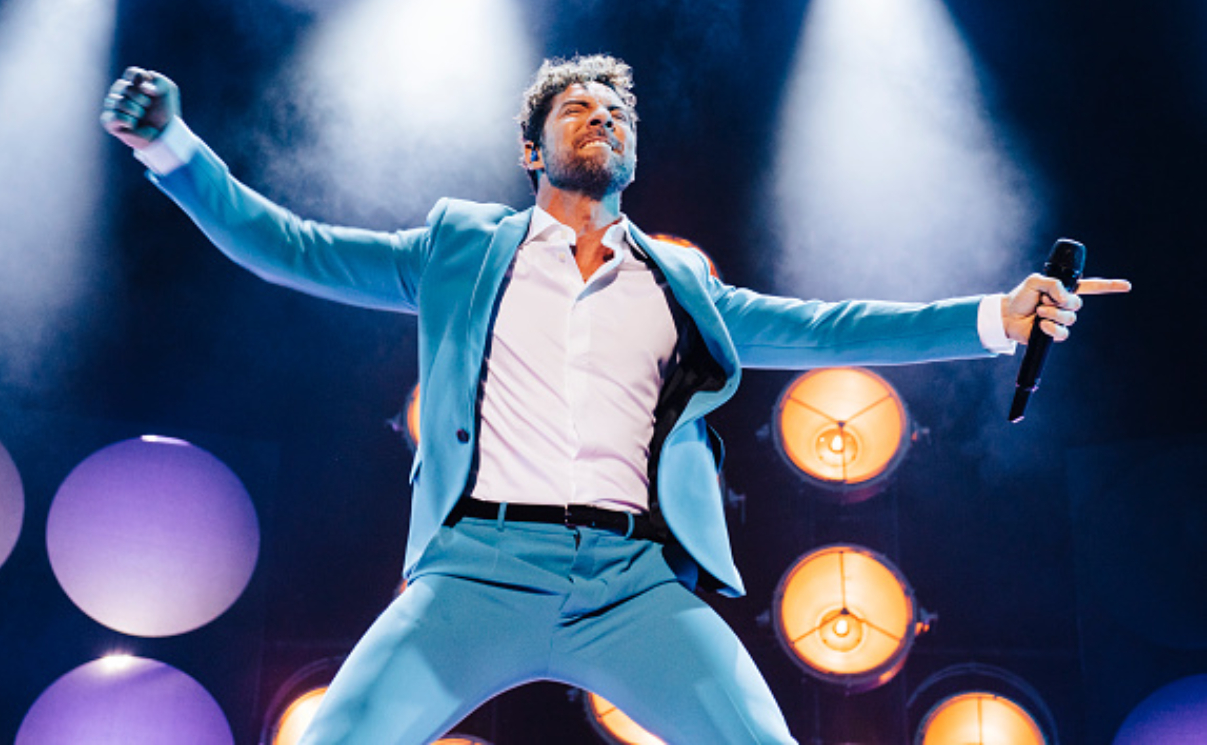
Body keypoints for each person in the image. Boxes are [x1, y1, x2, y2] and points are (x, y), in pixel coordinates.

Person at [101, 54, 1129, 744]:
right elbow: (287, 245)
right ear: (532, 150)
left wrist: (996, 316)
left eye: (618, 114)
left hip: (633, 589)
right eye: (578, 109)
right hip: (475, 574)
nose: (603, 118)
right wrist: (171, 148)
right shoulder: (460, 247)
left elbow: (827, 327)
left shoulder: (680, 284)